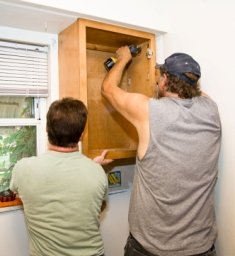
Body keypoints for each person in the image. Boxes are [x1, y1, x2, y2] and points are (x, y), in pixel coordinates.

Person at [101, 48, 221, 256]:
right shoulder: (211, 110)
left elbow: (108, 89)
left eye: (159, 77)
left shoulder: (150, 111)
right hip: (200, 247)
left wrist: (123, 59)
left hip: (150, 249)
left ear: (165, 80)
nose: (156, 82)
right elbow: (197, 94)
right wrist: (186, 85)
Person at [10, 97, 109, 256]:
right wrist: (91, 166)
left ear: (47, 130)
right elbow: (98, 206)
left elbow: (16, 192)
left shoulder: (23, 169)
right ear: (82, 135)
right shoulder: (97, 172)